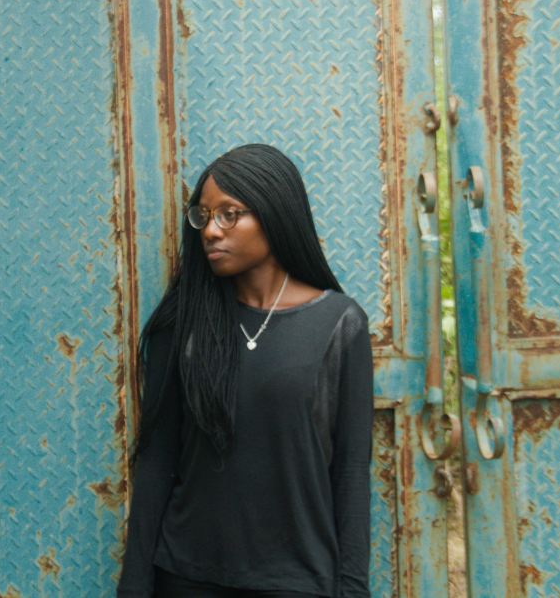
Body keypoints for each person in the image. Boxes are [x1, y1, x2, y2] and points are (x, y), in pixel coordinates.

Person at [117, 144, 373, 598]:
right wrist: (134, 587)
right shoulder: (183, 324)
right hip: (187, 577)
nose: (211, 230)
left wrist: (353, 590)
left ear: (275, 212)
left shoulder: (340, 324)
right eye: (203, 216)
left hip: (297, 581)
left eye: (229, 214)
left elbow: (351, 470)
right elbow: (157, 461)